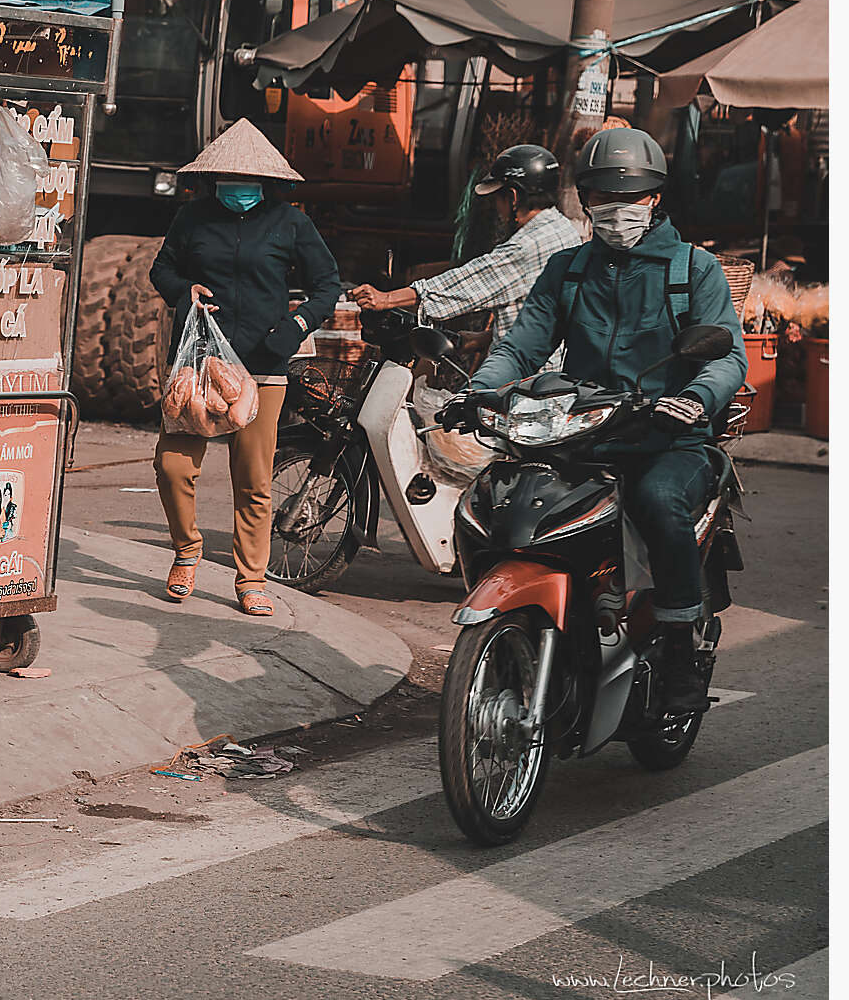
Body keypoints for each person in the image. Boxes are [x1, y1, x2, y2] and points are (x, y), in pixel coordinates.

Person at [442, 127, 748, 712]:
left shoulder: (694, 268)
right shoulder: (567, 269)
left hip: (669, 437)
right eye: (602, 197)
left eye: (629, 196)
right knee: (505, 502)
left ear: (654, 198)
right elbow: (522, 345)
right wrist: (480, 391)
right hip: (581, 433)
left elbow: (728, 353)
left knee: (660, 501)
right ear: (583, 200)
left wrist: (696, 397)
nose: (616, 210)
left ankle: (680, 646)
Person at [149, 119, 342, 615]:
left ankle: (250, 578)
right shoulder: (193, 218)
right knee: (172, 467)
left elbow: (327, 286)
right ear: (213, 179)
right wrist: (183, 291)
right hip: (198, 363)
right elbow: (162, 269)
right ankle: (186, 550)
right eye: (228, 181)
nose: (238, 190)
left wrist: (295, 326)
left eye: (247, 182)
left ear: (267, 183)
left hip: (263, 366)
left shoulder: (291, 223)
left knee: (253, 478)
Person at [348, 144, 583, 354]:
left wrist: (386, 299)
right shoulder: (563, 230)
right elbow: (538, 310)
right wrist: (483, 339)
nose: (497, 210)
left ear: (512, 198)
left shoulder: (525, 247)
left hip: (520, 379)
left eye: (497, 200)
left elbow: (466, 283)